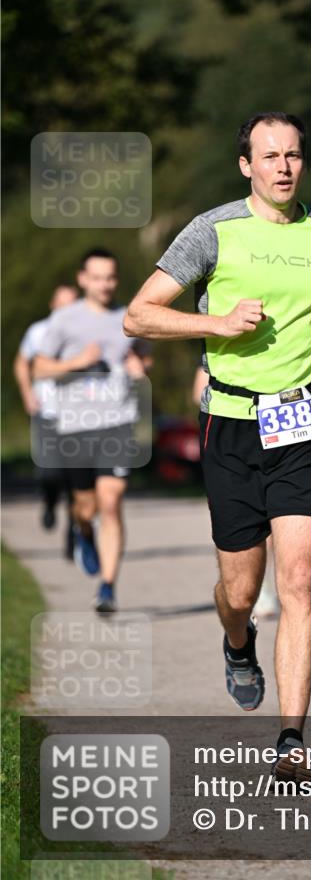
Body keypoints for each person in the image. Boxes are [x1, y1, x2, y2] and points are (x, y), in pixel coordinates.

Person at [125, 112, 311, 779]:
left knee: (299, 579)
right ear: (246, 166)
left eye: (293, 155)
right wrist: (218, 322)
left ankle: (292, 739)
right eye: (269, 156)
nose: (283, 167)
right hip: (232, 427)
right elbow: (139, 313)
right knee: (240, 591)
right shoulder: (213, 231)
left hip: (306, 422)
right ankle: (238, 643)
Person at [33, 249, 152, 614]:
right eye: (98, 277)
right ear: (83, 279)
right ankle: (83, 531)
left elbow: (145, 360)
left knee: (112, 504)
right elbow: (39, 368)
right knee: (86, 507)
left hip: (117, 424)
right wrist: (76, 363)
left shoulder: (129, 317)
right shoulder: (65, 320)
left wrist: (139, 369)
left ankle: (107, 588)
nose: (105, 284)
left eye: (111, 277)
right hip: (74, 427)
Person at [193, 365, 279, 618]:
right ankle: (253, 584)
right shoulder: (222, 343)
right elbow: (197, 392)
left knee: (277, 519)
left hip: (283, 431)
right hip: (232, 432)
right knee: (239, 588)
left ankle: (265, 585)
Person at [14, 284, 79, 554]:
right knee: (50, 473)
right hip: (48, 413)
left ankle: (74, 531)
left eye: (73, 304)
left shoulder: (85, 333)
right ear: (53, 305)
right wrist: (28, 394)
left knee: (77, 479)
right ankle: (51, 502)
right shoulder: (38, 331)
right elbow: (21, 363)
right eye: (62, 303)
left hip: (81, 416)